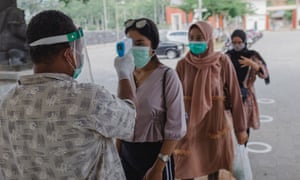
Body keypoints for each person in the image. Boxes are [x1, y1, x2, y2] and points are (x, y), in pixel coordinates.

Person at [0, 10, 136, 180]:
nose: (80, 55)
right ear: (68, 54)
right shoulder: (87, 99)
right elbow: (130, 121)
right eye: (78, 49)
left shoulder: (7, 102)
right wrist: (125, 74)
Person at [174, 21, 248, 180]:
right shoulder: (182, 65)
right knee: (187, 167)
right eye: (191, 37)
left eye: (199, 38)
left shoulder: (222, 62)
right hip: (190, 125)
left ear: (208, 39)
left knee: (214, 167)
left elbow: (235, 95)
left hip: (215, 124)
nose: (194, 41)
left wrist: (241, 128)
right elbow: (174, 99)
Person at [116, 18, 186, 180]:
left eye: (140, 43)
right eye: (131, 43)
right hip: (127, 154)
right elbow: (121, 119)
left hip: (156, 155)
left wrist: (158, 167)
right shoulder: (126, 74)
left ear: (153, 45)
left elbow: (175, 128)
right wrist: (116, 156)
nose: (135, 48)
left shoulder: (167, 76)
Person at [226, 29, 270, 143]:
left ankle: (243, 149)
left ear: (245, 41)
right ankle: (233, 151)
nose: (236, 45)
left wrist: (253, 64)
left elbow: (264, 74)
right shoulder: (228, 55)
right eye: (234, 42)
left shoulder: (252, 55)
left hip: (247, 96)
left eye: (239, 42)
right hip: (230, 95)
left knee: (244, 125)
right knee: (230, 124)